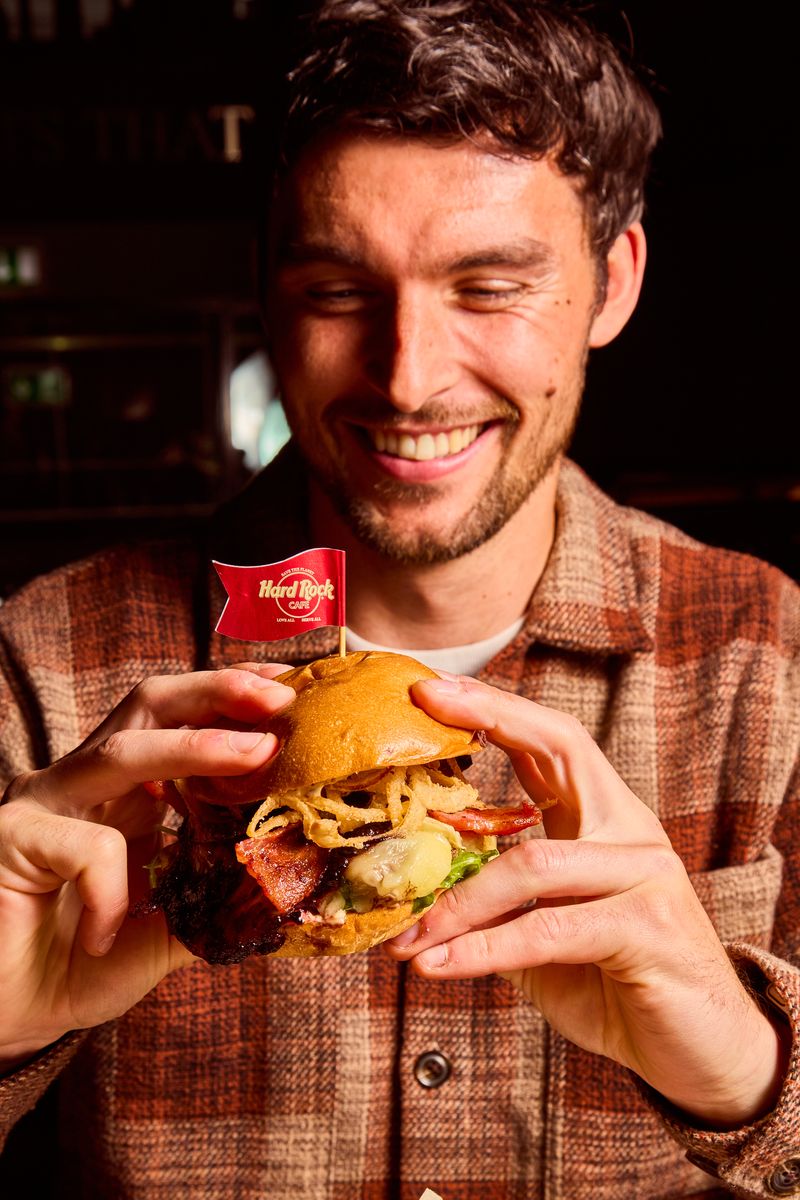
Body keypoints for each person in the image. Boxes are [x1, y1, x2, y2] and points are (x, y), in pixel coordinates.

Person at [0, 2, 798, 1197]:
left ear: (612, 284)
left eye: (489, 286)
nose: (408, 377)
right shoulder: (44, 662)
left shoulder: (769, 655)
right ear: (266, 292)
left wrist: (747, 1069)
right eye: (335, 291)